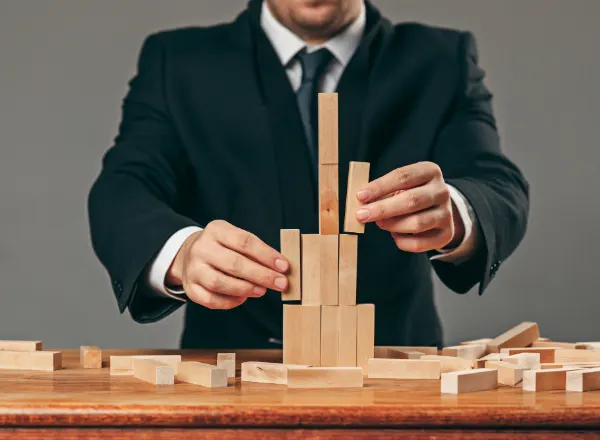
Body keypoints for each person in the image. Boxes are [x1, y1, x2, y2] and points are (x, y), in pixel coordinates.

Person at [88, 0, 529, 349]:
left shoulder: (440, 59)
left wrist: (453, 211)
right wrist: (181, 252)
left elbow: (496, 184)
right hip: (232, 373)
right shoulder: (178, 61)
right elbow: (123, 188)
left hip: (394, 369)